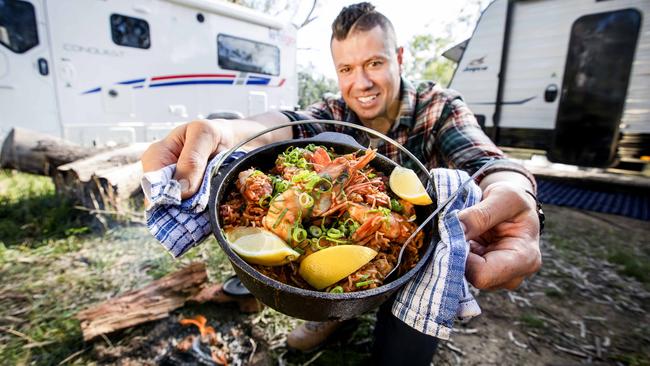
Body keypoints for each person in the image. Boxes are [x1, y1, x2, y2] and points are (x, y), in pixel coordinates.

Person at [142, 2, 542, 364]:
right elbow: (281, 124)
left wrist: (517, 191)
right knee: (318, 308)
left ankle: (383, 324)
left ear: (399, 58)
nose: (361, 82)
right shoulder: (334, 112)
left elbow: (486, 160)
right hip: (319, 261)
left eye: (374, 63)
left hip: (415, 258)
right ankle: (336, 314)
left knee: (401, 354)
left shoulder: (439, 107)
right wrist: (226, 129)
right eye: (347, 70)